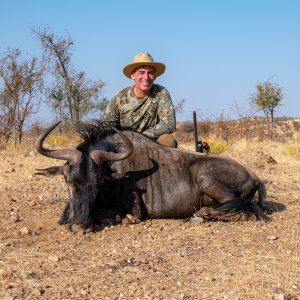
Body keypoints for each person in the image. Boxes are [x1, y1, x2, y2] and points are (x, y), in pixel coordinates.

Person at [104, 52, 177, 148]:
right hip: (125, 144)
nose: (146, 77)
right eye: (141, 72)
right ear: (132, 75)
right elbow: (107, 129)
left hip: (152, 143)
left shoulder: (161, 92)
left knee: (168, 140)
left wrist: (142, 138)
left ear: (155, 76)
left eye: (150, 72)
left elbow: (169, 123)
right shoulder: (118, 98)